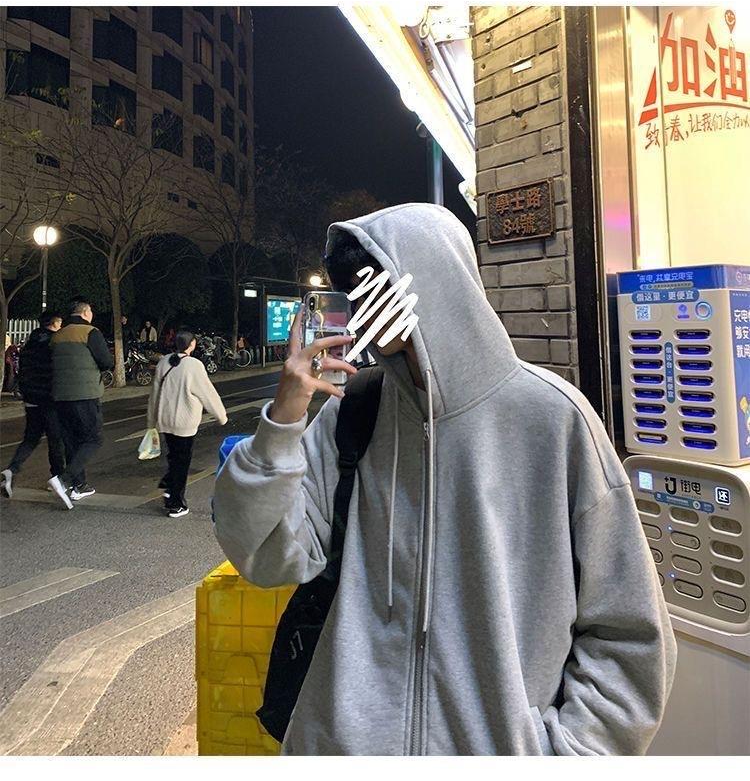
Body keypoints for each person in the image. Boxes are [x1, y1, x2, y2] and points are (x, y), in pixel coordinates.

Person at [212, 204, 677, 756]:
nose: (363, 307)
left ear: (434, 281)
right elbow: (266, 557)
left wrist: (565, 753)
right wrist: (284, 419)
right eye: (354, 293)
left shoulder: (553, 420)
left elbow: (629, 631)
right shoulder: (354, 411)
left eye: (375, 285)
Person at [147, 330, 227, 518]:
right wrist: (221, 416)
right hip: (185, 423)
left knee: (174, 457)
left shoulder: (163, 362)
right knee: (181, 462)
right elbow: (207, 393)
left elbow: (154, 395)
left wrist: (151, 421)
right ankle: (175, 503)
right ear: (192, 345)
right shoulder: (194, 365)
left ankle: (169, 485)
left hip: (165, 420)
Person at [48, 297, 114, 509]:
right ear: (85, 313)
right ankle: (64, 480)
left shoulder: (58, 335)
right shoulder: (90, 332)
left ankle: (79, 486)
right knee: (94, 438)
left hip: (60, 396)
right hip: (85, 395)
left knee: (71, 441)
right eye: (91, 311)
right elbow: (106, 362)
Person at [1, 312, 65, 498]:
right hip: (49, 398)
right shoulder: (55, 343)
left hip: (31, 397)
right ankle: (58, 478)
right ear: (55, 323)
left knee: (30, 439)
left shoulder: (30, 343)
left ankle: (11, 470)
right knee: (55, 439)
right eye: (60, 323)